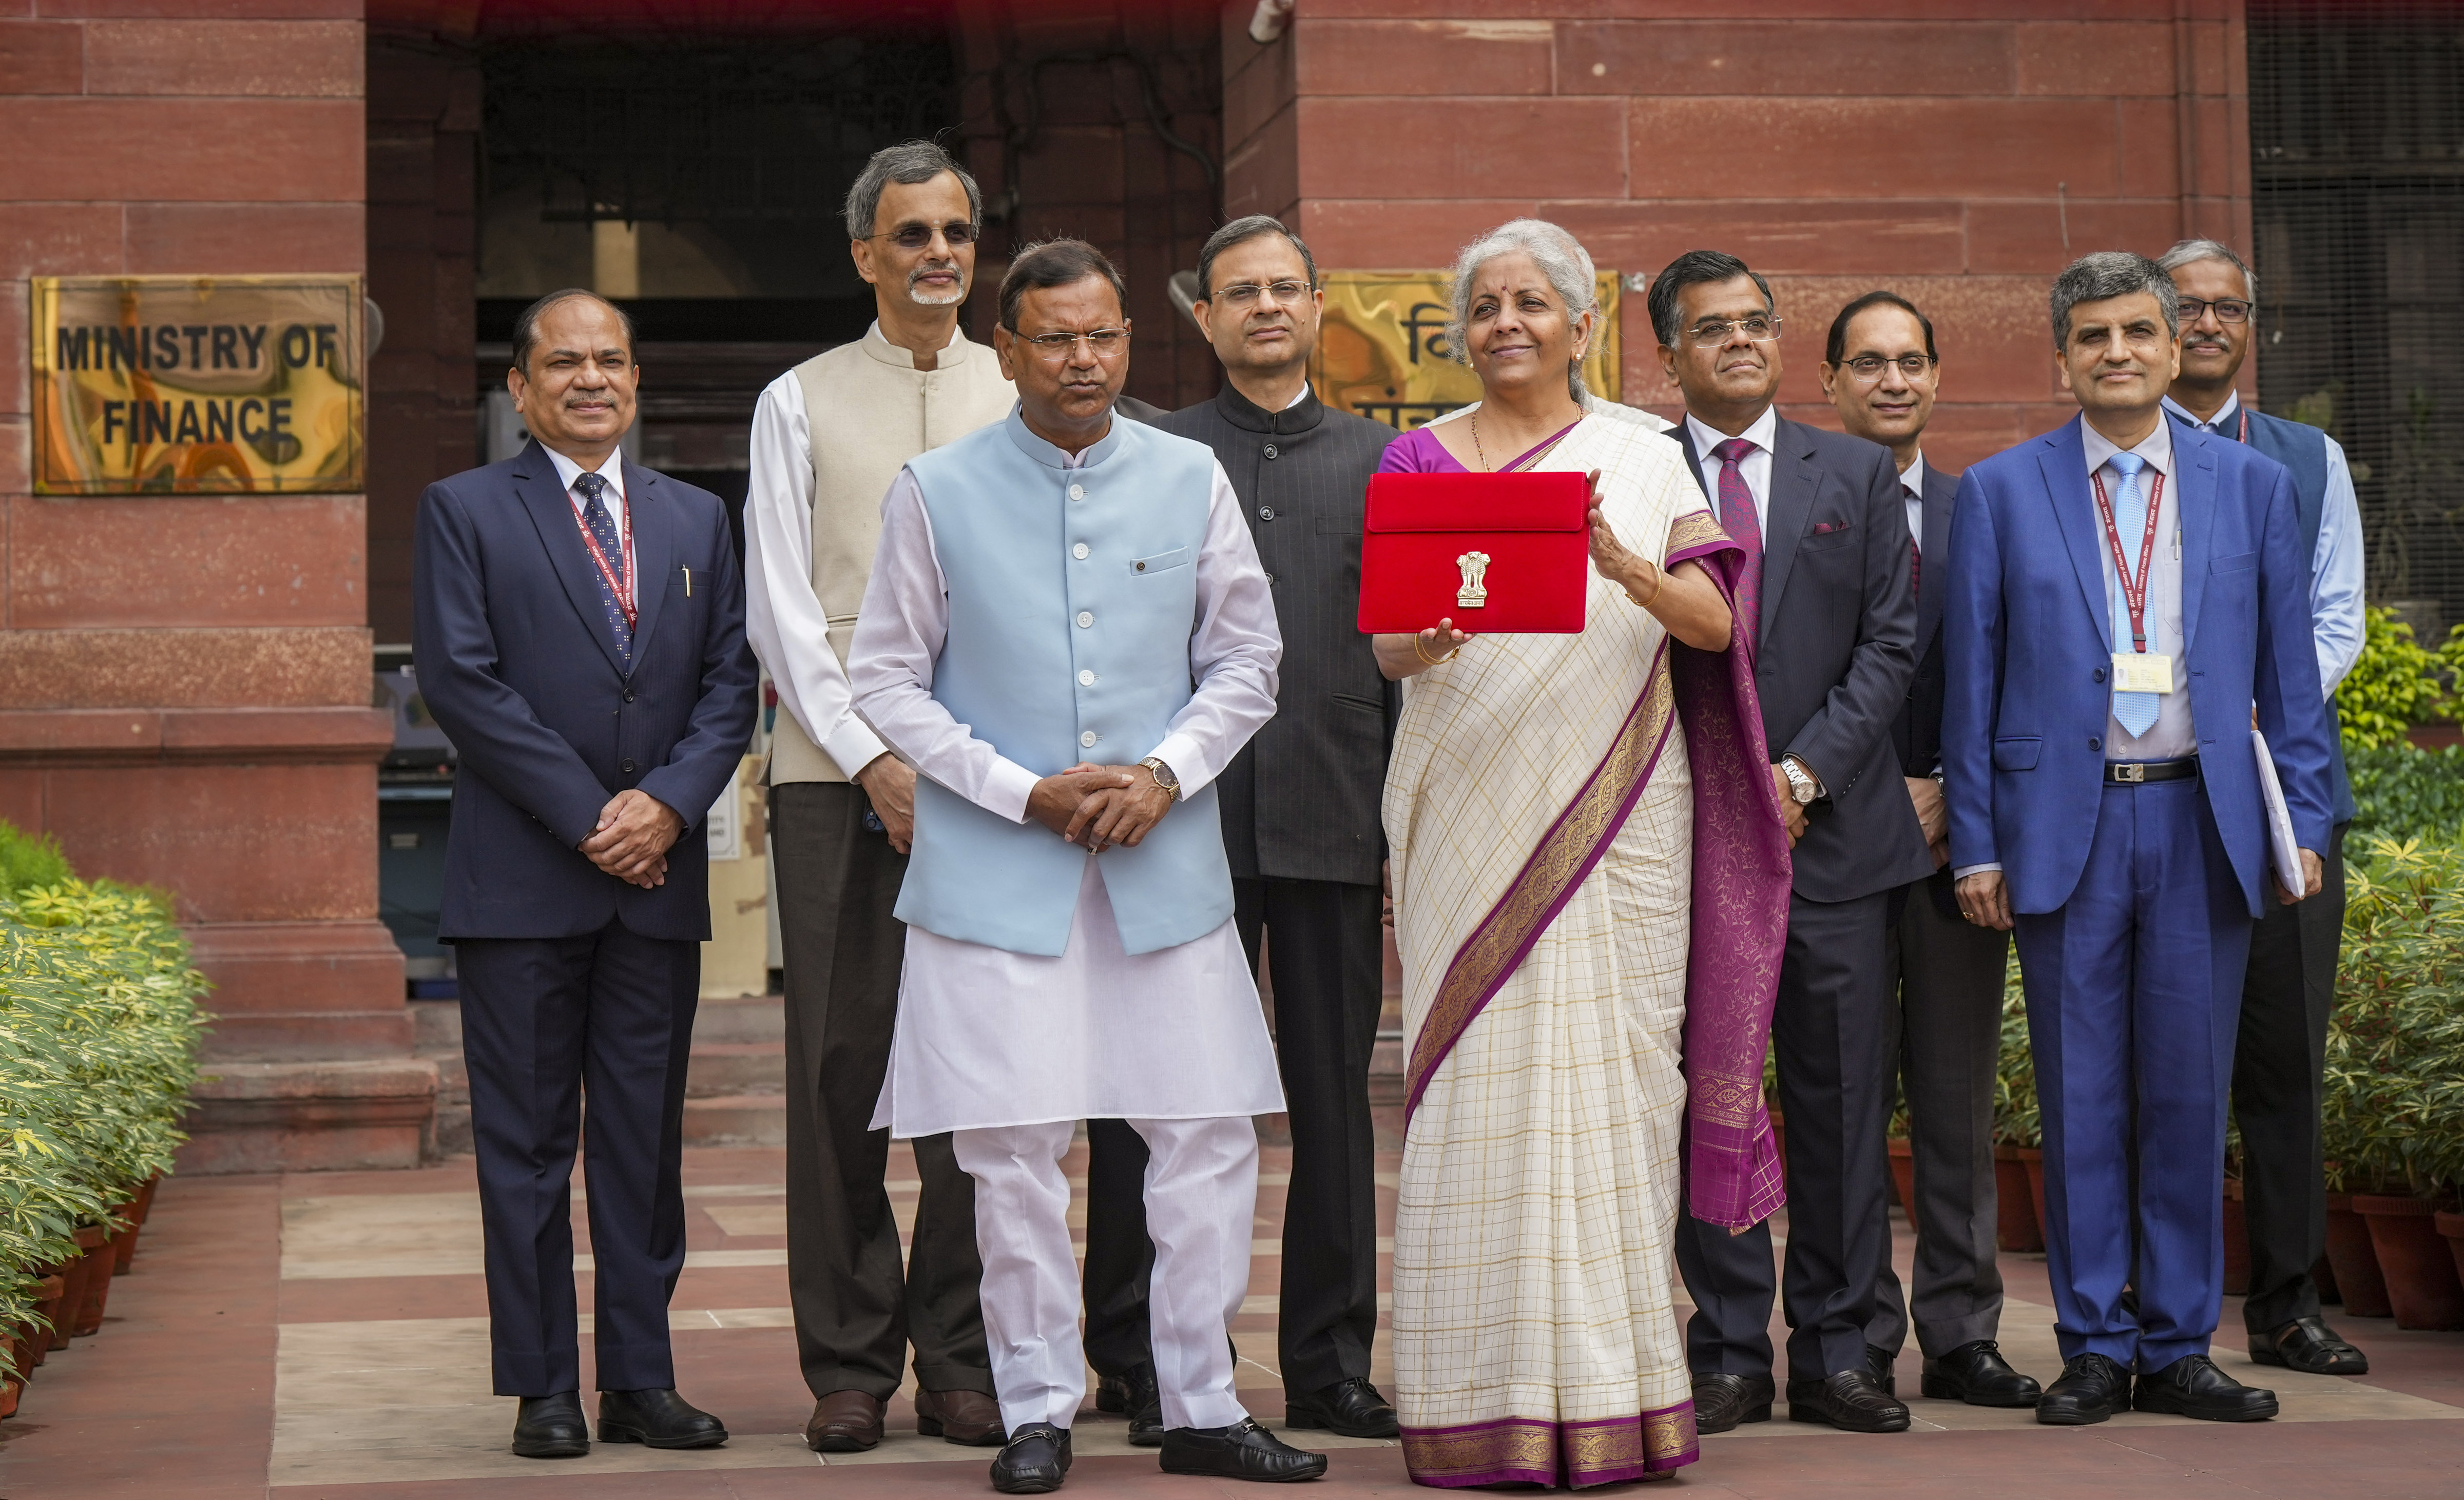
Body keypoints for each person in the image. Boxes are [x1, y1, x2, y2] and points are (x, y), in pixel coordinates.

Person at [846, 239, 1326, 1492]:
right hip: (996, 872)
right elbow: (884, 678)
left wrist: (1165, 773)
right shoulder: (935, 488)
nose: (1083, 361)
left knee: (1209, 1132)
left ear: (1131, 338)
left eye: (1104, 335)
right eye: (1055, 339)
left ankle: (1203, 1401)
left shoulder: (1188, 476)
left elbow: (1248, 660)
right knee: (1009, 1149)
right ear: (1007, 352)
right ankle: (1037, 1408)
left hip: (1162, 861)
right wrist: (1019, 791)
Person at [1377, 219, 1788, 1488]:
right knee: (1476, 1085)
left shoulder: (1643, 457)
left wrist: (1627, 568)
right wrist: (1427, 641)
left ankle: (1615, 1397)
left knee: (1612, 1090)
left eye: (1531, 302)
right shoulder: (1418, 456)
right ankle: (1469, 1398)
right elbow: (1389, 644)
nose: (1506, 322)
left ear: (1576, 323)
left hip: (1618, 820)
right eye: (1484, 304)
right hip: (1466, 811)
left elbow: (1717, 627)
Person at [1943, 250, 2336, 1426]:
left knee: (2187, 1088)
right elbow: (1972, 684)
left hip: (2199, 818)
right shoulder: (2004, 491)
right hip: (2065, 824)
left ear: (2176, 350)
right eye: (2094, 336)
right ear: (2062, 358)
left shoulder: (2249, 487)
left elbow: (2290, 679)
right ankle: (2094, 1346)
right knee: (2081, 1097)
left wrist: (2302, 822)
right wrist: (1977, 844)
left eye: (2138, 334)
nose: (2118, 352)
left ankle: (2178, 1343)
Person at [412, 288, 759, 1459]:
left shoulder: (698, 519)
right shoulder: (463, 509)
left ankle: (641, 1380)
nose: (591, 379)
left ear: (636, 377)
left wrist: (663, 806)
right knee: (522, 1148)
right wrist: (588, 815)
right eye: (564, 363)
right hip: (520, 884)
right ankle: (543, 1387)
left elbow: (730, 685)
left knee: (640, 1142)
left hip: (652, 884)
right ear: (520, 387)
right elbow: (462, 683)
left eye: (611, 359)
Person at [1087, 214, 1403, 1443]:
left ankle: (1329, 1362)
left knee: (1331, 1098)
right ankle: (1140, 1353)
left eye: (1286, 288)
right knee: (1150, 1096)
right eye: (1239, 293)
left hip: (1334, 810)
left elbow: (1412, 658)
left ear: (1320, 306)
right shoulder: (1149, 453)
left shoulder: (1394, 462)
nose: (1266, 307)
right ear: (1203, 318)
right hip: (1176, 821)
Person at [741, 141, 1016, 1454]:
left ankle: (960, 1350)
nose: (939, 256)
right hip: (829, 773)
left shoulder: (1019, 386)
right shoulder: (796, 399)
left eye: (956, 232)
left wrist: (963, 768)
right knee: (839, 1063)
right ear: (865, 253)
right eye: (911, 235)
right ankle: (849, 1356)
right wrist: (872, 758)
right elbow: (784, 610)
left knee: (980, 1065)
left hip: (992, 782)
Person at [1656, 250, 1931, 1436]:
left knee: (1837, 1102)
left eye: (1756, 324)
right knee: (1706, 1095)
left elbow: (1891, 643)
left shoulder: (1858, 471)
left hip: (1832, 845)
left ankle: (1839, 1351)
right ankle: (1724, 1350)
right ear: (1667, 350)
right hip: (1677, 842)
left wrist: (1803, 772)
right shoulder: (1627, 468)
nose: (1740, 342)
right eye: (1711, 327)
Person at [1817, 293, 2040, 1409]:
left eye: (1911, 361)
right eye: (1869, 363)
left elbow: (2023, 668)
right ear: (1832, 384)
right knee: (1846, 1100)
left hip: (1959, 847)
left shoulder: (1985, 508)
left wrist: (1958, 788)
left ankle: (1962, 1332)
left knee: (1954, 1102)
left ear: (1938, 378)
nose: (1892, 380)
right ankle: (1854, 1331)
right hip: (1835, 842)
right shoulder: (1799, 507)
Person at [2155, 238, 2371, 1379]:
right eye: (2182, 306)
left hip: (2284, 794)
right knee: (2164, 1058)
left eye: (2224, 307)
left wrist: (2247, 708)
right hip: (2148, 794)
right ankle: (2156, 1305)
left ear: (2252, 326)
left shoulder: (2306, 456)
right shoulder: (2109, 453)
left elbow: (2339, 620)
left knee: (2284, 1061)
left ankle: (2287, 1305)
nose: (2204, 324)